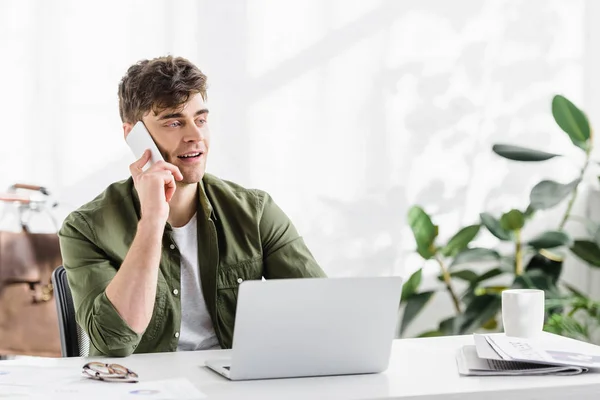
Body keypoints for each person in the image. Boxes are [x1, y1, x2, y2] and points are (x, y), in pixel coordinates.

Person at [58, 55, 326, 357]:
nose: (196, 136)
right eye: (174, 122)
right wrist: (152, 220)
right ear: (133, 135)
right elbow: (114, 342)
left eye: (200, 120)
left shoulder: (256, 211)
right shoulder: (85, 228)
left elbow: (322, 315)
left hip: (231, 386)